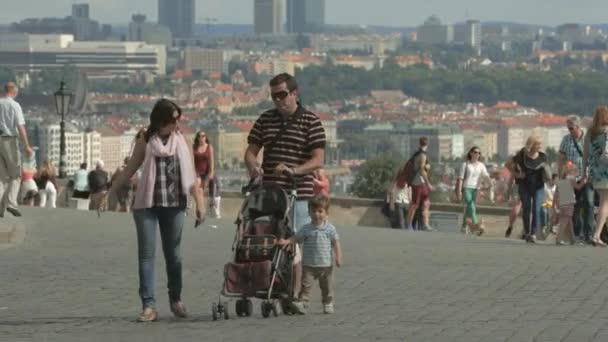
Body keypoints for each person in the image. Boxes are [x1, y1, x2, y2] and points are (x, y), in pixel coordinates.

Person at [101, 99, 205, 322]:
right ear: (160, 121)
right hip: (146, 205)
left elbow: (192, 174)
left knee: (174, 256)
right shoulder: (146, 139)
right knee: (146, 256)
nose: (177, 125)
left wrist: (200, 204)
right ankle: (148, 305)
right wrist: (109, 192)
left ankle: (175, 300)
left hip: (175, 204)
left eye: (178, 120)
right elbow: (130, 168)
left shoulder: (181, 140)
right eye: (173, 120)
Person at [244, 72, 326, 300]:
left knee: (295, 244)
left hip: (299, 194)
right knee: (268, 241)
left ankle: (296, 293)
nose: (278, 100)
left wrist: (294, 170)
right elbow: (251, 151)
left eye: (282, 95)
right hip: (271, 194)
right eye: (274, 96)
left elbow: (318, 159)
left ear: (294, 93)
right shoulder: (265, 119)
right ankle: (272, 285)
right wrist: (253, 167)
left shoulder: (311, 121)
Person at [278, 196, 342, 314]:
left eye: (320, 211)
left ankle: (327, 303)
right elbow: (296, 238)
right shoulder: (306, 228)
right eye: (313, 211)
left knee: (327, 287)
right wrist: (287, 241)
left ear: (326, 213)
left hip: (326, 265)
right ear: (309, 212)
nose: (316, 214)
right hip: (309, 266)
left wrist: (338, 257)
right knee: (305, 286)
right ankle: (303, 303)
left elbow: (336, 242)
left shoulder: (330, 228)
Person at [0, 82, 34, 217]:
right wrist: (26, 146)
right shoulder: (15, 105)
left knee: (1, 177)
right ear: (14, 92)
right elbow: (20, 127)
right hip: (9, 140)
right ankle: (11, 203)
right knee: (16, 175)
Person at [559, 115, 593, 244]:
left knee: (589, 203)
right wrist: (560, 175)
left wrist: (587, 175)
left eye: (571, 128)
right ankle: (575, 235)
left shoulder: (588, 139)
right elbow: (561, 158)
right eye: (568, 128)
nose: (569, 130)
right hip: (569, 177)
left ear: (578, 127)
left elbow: (593, 158)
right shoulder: (566, 140)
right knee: (571, 207)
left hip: (587, 176)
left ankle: (589, 234)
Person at [510, 135, 550, 243]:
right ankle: (527, 232)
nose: (540, 146)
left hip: (539, 186)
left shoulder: (543, 156)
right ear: (532, 145)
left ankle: (533, 233)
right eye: (538, 144)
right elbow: (509, 164)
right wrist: (517, 175)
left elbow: (547, 170)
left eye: (540, 144)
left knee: (536, 208)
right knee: (527, 209)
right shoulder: (522, 155)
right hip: (524, 185)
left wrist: (548, 176)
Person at [582, 106, 608, 247]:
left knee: (603, 203)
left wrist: (583, 173)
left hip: (595, 172)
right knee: (605, 202)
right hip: (606, 171)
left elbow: (585, 155)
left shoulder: (590, 133)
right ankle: (596, 235)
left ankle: (597, 234)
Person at [455, 146, 490, 236]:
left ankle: (463, 226)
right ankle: (476, 225)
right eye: (475, 152)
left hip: (475, 189)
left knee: (469, 208)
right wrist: (459, 192)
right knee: (471, 206)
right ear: (470, 153)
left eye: (478, 153)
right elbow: (460, 179)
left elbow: (485, 175)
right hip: (466, 188)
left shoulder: (481, 165)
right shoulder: (465, 164)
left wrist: (489, 182)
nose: (477, 154)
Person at [405, 137, 433, 231]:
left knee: (426, 203)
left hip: (419, 182)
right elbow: (421, 170)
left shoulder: (418, 154)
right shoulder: (422, 155)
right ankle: (409, 225)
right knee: (415, 205)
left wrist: (427, 166)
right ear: (427, 144)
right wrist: (428, 183)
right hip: (419, 182)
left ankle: (425, 224)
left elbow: (422, 167)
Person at [554, 162, 584, 245]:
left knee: (569, 221)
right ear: (571, 171)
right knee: (564, 222)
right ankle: (558, 239)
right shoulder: (571, 179)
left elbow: (556, 194)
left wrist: (554, 205)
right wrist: (584, 181)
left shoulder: (560, 180)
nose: (576, 172)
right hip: (569, 203)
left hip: (562, 204)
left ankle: (572, 239)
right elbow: (578, 187)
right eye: (575, 170)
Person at [193, 130, 214, 202]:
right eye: (199, 136)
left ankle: (201, 208)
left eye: (203, 136)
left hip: (206, 173)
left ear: (205, 137)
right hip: (197, 173)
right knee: (199, 191)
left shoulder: (209, 147)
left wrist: (211, 173)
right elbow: (192, 161)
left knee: (202, 191)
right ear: (197, 138)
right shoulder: (194, 147)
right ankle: (200, 208)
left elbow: (211, 161)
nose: (201, 138)